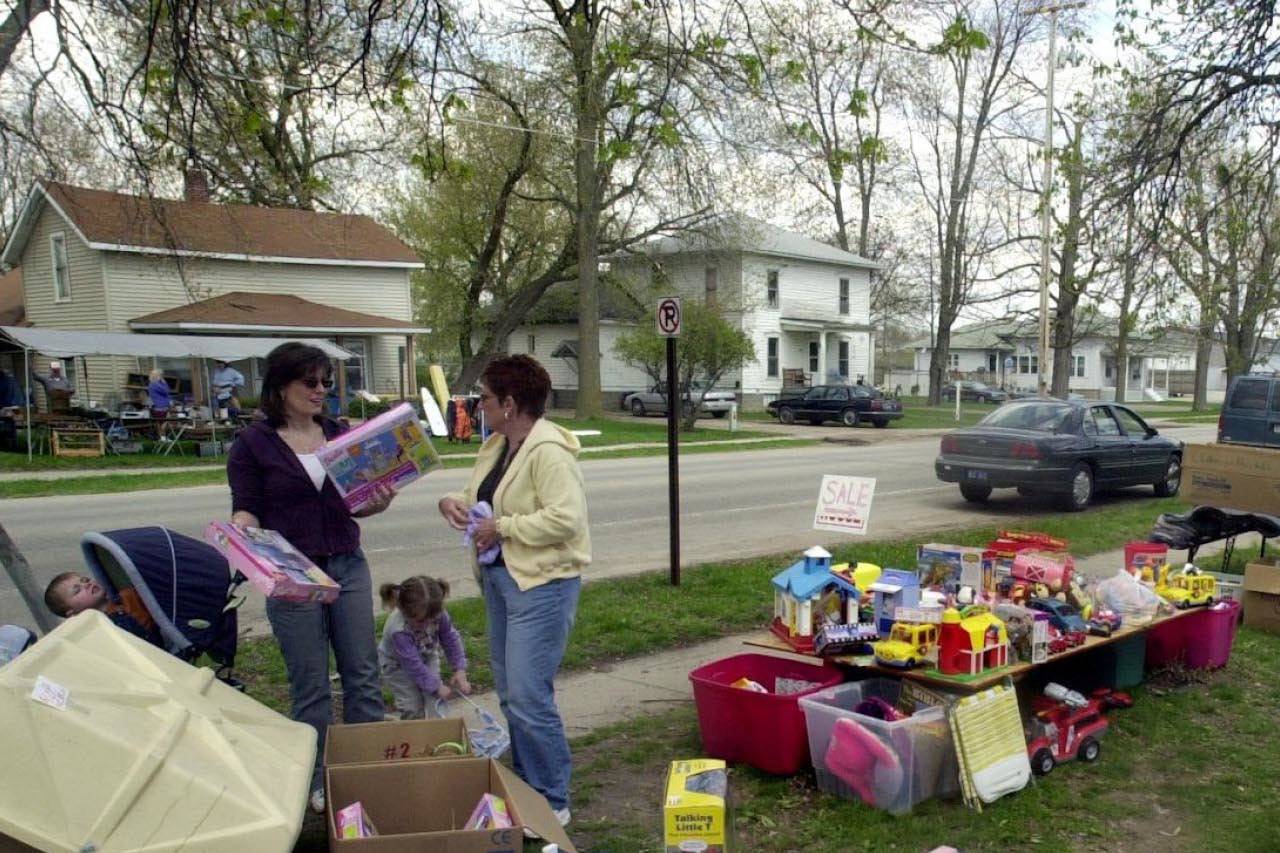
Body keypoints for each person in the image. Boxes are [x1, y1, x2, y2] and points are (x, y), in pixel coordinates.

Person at [226, 341, 396, 814]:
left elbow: (361, 501)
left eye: (326, 382)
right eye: (311, 382)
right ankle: (316, 781)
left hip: (346, 562)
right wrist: (241, 530)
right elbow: (246, 505)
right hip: (293, 572)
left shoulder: (340, 434)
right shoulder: (253, 444)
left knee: (362, 673)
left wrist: (379, 499)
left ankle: (365, 771)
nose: (321, 390)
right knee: (312, 685)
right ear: (281, 386)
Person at [437, 354, 589, 827]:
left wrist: (502, 528)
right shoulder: (499, 445)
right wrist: (454, 503)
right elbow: (479, 495)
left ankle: (551, 798)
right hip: (503, 581)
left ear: (509, 402)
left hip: (543, 586)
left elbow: (567, 519)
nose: (476, 405)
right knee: (509, 693)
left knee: (528, 695)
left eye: (483, 397)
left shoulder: (548, 451)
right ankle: (525, 781)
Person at [377, 575, 471, 719]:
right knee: (412, 706)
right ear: (404, 611)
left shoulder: (437, 613)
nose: (427, 624)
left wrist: (459, 668)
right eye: (421, 621)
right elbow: (413, 665)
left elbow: (450, 639)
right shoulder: (398, 630)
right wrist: (436, 686)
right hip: (397, 665)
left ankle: (440, 733)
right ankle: (415, 734)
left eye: (432, 619)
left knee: (437, 701)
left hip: (426, 654)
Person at [43, 571, 156, 642]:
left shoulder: (128, 596)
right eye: (77, 590)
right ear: (72, 613)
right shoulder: (95, 635)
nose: (86, 584)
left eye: (85, 580)